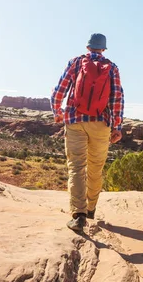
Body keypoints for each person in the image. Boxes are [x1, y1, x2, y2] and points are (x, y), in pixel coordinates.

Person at [50, 33, 124, 232]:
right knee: (95, 168)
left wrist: (58, 112)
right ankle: (91, 208)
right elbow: (117, 98)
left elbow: (60, 90)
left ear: (88, 47)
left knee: (76, 167)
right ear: (103, 49)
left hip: (75, 120)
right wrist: (117, 126)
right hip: (101, 123)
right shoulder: (112, 68)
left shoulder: (75, 63)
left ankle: (79, 215)